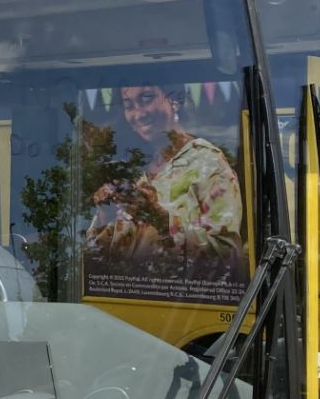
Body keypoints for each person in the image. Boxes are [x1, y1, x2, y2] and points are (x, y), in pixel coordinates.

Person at [88, 82, 243, 271]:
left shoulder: (208, 164)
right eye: (129, 105)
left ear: (175, 100)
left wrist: (160, 219)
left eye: (146, 99)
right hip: (125, 298)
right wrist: (106, 214)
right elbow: (97, 259)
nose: (139, 113)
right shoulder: (136, 168)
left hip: (177, 299)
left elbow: (227, 258)